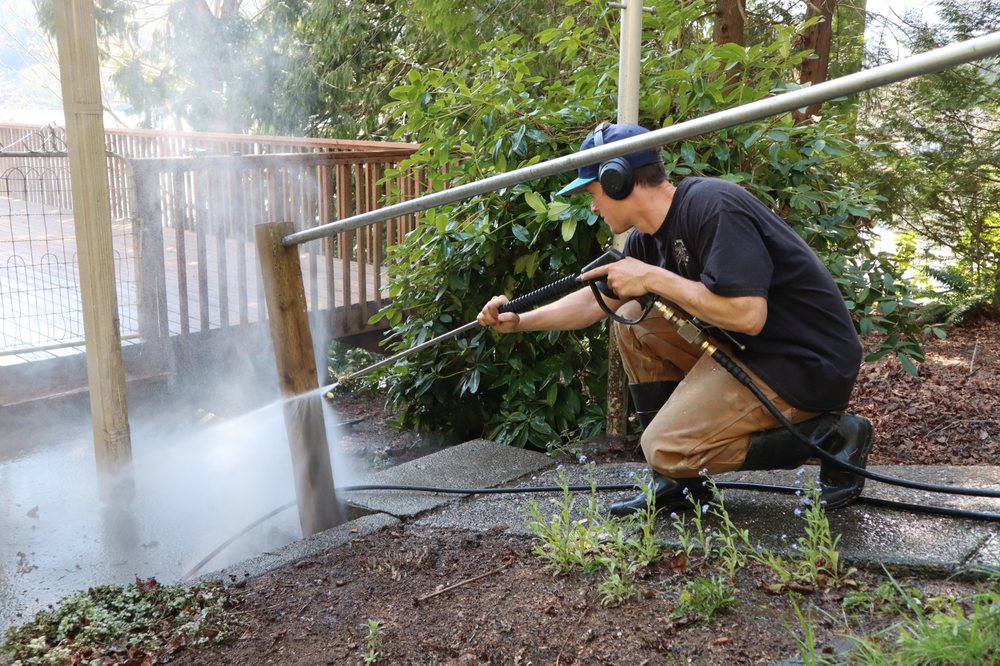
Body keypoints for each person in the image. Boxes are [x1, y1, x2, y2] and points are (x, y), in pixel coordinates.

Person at [477, 122, 873, 515]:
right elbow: (594, 302)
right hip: (752, 351)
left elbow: (748, 314)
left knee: (664, 446)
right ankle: (678, 482)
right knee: (632, 317)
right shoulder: (645, 240)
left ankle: (831, 435)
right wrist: (521, 319)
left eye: (593, 193)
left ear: (617, 180)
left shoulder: (713, 205)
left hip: (804, 363)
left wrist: (650, 277)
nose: (593, 207)